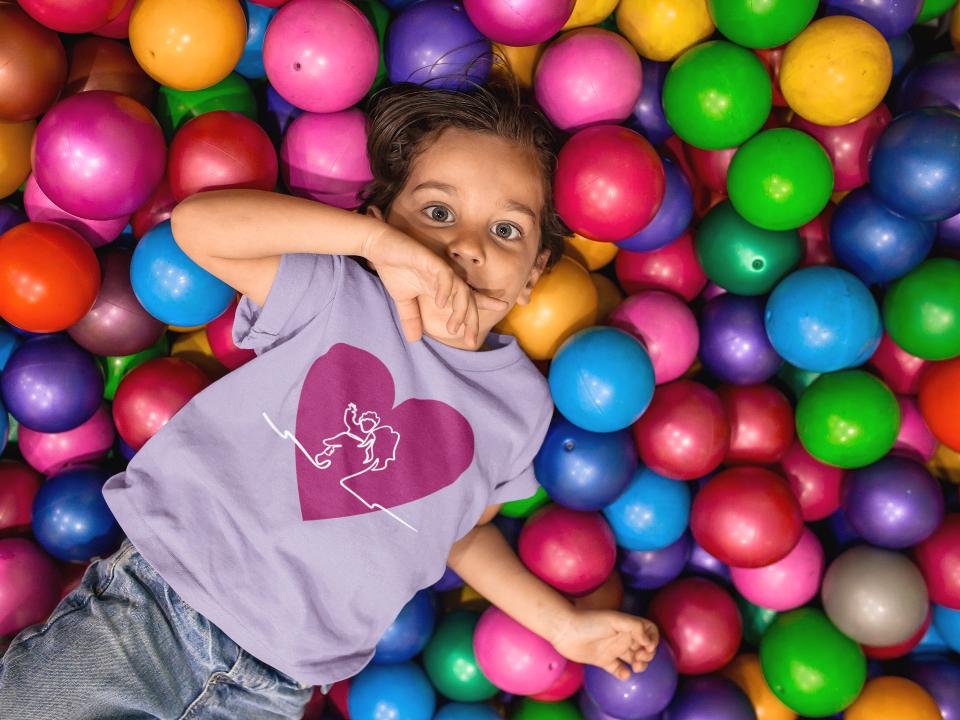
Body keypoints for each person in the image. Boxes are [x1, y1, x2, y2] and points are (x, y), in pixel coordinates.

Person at [0, 81, 658, 719]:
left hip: (272, 690)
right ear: (383, 224)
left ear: (534, 274)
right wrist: (367, 247)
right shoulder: (339, 295)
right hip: (152, 613)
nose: (468, 246)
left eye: (507, 231)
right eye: (437, 213)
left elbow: (458, 536)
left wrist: (562, 626)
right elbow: (198, 229)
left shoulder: (520, 407)